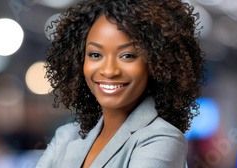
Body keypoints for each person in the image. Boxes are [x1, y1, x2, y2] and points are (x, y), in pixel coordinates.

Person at [36, 0, 206, 167]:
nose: (109, 71)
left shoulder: (162, 139)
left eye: (127, 56)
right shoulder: (66, 137)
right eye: (95, 54)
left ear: (157, 63)